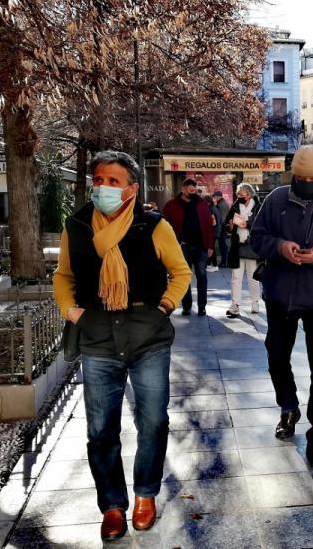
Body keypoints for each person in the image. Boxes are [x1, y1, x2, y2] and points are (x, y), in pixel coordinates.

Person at [53, 151, 191, 541]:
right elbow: (63, 275)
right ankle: (112, 505)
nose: (104, 187)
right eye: (99, 179)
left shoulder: (152, 225)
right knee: (100, 429)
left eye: (114, 181)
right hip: (97, 333)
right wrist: (72, 312)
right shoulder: (77, 225)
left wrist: (163, 307)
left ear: (132, 189)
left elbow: (180, 272)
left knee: (153, 420)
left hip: (146, 333)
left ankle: (145, 494)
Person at [250, 145, 313, 466]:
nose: (308, 181)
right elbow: (257, 238)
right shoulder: (276, 199)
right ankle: (288, 406)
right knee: (277, 357)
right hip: (280, 295)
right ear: (294, 174)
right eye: (302, 176)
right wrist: (281, 247)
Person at [162, 178, 215, 315]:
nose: (192, 192)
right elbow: (164, 225)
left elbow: (209, 226)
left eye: (194, 189)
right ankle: (186, 306)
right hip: (182, 246)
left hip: (200, 246)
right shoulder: (172, 205)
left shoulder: (202, 204)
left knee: (202, 276)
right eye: (189, 189)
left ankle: (202, 306)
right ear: (183, 190)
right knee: (184, 277)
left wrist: (210, 246)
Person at [225, 183, 262, 317]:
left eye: (241, 194)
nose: (238, 196)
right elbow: (226, 222)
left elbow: (262, 224)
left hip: (252, 247)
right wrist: (229, 225)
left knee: (253, 277)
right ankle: (235, 305)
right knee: (236, 277)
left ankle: (255, 302)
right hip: (237, 246)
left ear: (249, 195)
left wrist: (247, 224)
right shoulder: (235, 205)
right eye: (238, 194)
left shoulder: (258, 206)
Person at [212, 190, 230, 266]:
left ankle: (224, 262)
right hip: (222, 228)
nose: (214, 198)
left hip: (222, 228)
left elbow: (222, 219)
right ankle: (224, 261)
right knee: (222, 245)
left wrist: (217, 227)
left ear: (218, 197)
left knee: (222, 245)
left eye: (215, 197)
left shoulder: (222, 205)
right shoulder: (221, 203)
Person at [204, 194, 221, 272]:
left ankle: (214, 265)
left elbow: (213, 223)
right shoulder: (214, 208)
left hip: (212, 232)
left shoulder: (209, 209)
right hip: (216, 231)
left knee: (211, 248)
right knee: (211, 248)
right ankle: (210, 264)